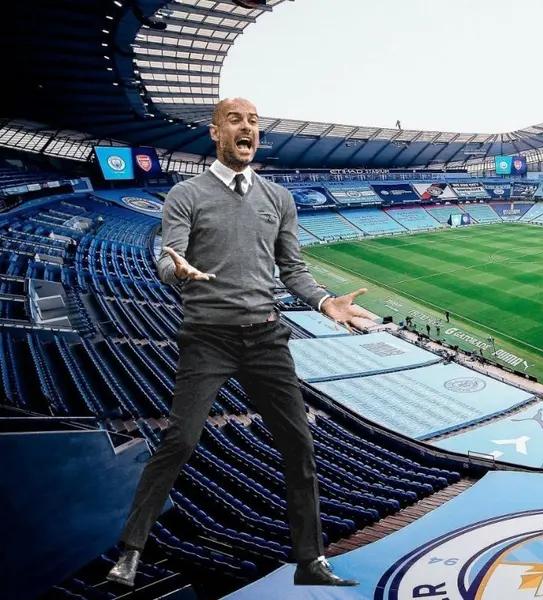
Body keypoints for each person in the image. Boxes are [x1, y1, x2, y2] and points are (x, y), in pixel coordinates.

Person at [107, 98, 370, 588]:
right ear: (215, 133)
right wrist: (177, 270)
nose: (246, 127)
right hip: (208, 337)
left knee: (299, 444)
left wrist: (325, 302)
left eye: (253, 121)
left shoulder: (278, 198)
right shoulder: (186, 194)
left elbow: (292, 268)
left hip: (267, 336)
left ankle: (310, 561)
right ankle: (131, 550)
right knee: (180, 439)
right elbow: (169, 258)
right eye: (236, 119)